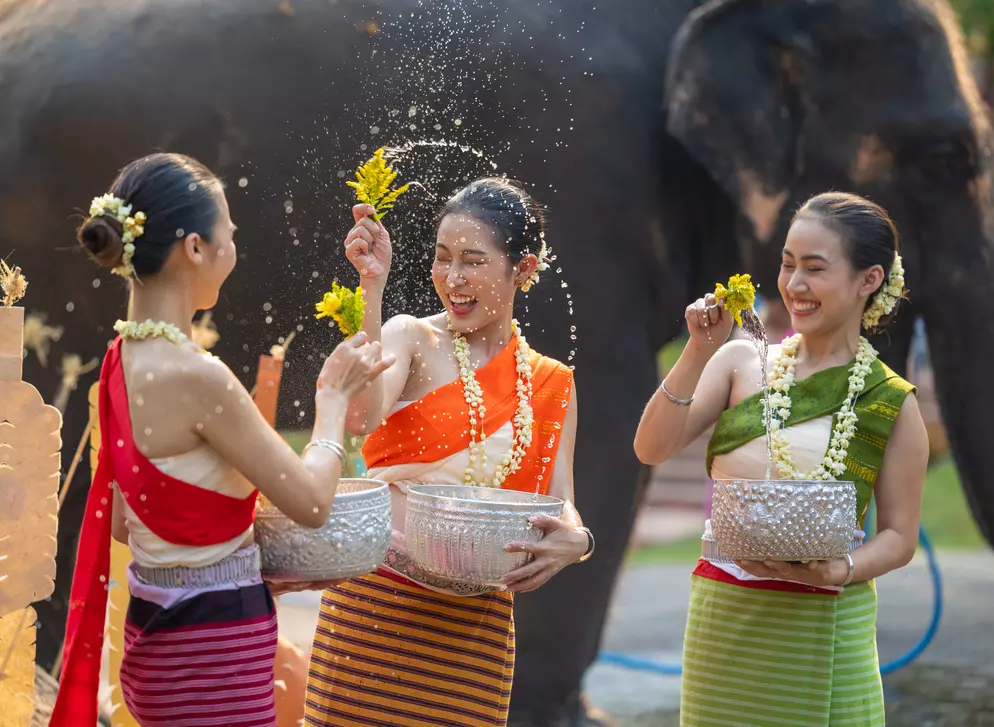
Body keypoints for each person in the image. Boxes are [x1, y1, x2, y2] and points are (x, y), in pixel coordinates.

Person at [51, 152, 393, 727]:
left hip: (154, 645)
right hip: (214, 660)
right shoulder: (198, 376)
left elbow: (122, 521)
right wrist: (330, 404)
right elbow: (311, 502)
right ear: (194, 249)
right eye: (228, 236)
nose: (233, 251)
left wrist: (226, 549)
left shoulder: (119, 360)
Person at [303, 178, 594, 726]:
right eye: (442, 259)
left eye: (472, 261)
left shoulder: (551, 382)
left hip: (475, 627)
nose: (452, 279)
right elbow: (360, 416)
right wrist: (371, 287)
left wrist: (578, 541)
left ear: (524, 270)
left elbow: (560, 501)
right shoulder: (411, 336)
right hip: (376, 606)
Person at [635, 192, 929, 726]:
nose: (794, 286)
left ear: (869, 280)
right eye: (787, 264)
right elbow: (651, 448)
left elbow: (900, 538)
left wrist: (840, 570)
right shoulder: (741, 361)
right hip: (725, 621)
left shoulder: (891, 401)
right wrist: (696, 350)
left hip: (825, 622)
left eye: (814, 269)